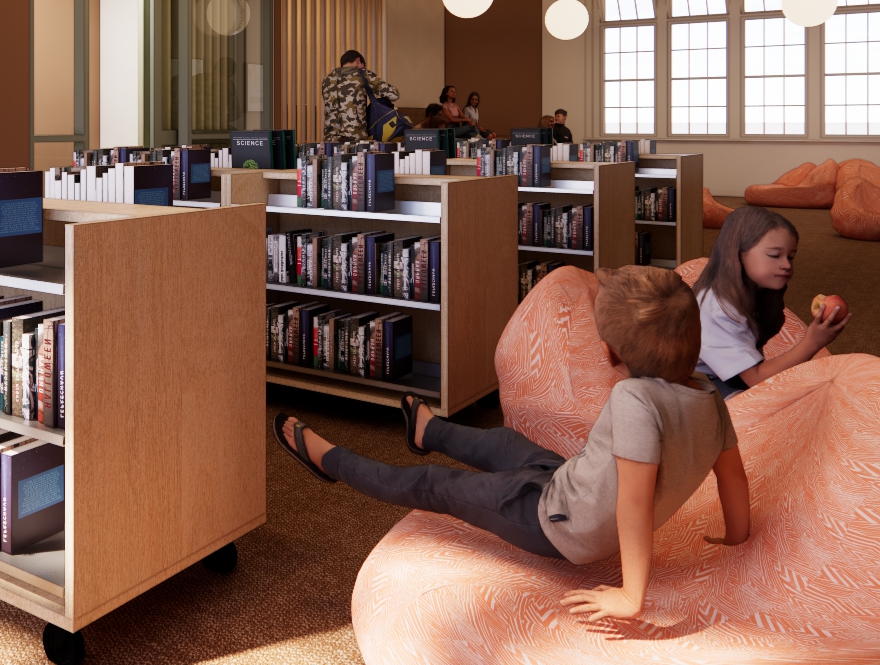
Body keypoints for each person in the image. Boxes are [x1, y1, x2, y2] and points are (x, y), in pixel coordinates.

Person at [275, 266, 749, 621]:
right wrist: (738, 534)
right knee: (506, 444)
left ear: (611, 352)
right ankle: (427, 431)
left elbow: (635, 502)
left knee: (434, 484)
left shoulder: (634, 400)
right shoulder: (709, 396)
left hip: (556, 524)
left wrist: (631, 595)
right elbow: (732, 475)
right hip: (573, 483)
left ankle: (330, 461)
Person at [694, 205, 848, 398]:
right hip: (701, 383)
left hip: (727, 376)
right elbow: (755, 379)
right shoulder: (719, 309)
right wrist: (813, 342)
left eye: (791, 257)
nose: (787, 265)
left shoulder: (753, 292)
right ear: (740, 254)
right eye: (774, 255)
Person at [320, 50, 399, 144]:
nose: (363, 68)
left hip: (330, 138)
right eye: (364, 65)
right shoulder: (362, 74)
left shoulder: (327, 79)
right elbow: (394, 95)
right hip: (355, 137)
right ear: (358, 60)